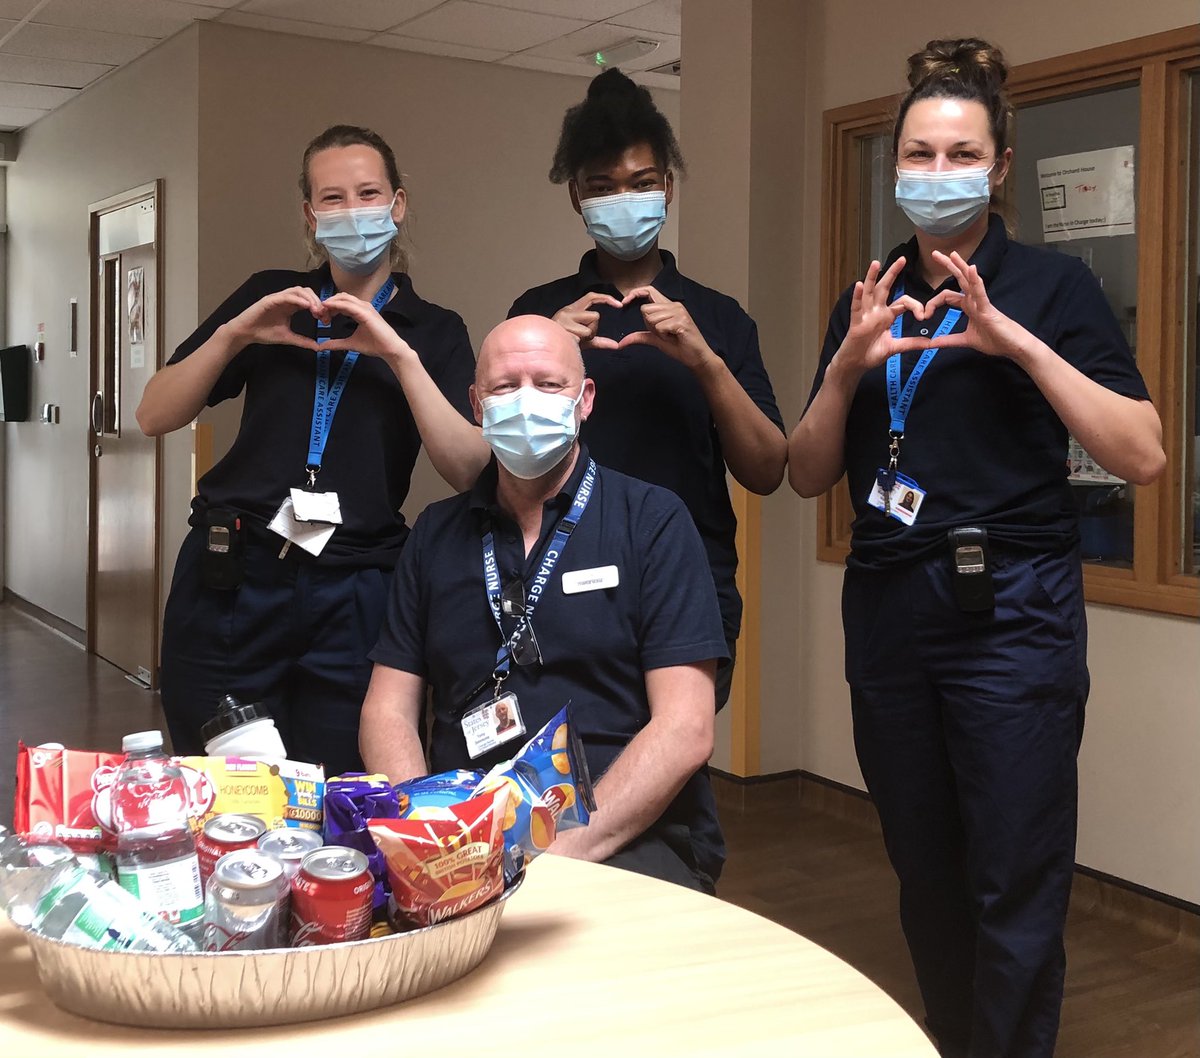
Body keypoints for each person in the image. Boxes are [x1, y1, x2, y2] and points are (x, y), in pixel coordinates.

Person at [787, 38, 1164, 1058]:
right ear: (897, 165)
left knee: (1014, 877)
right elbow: (806, 470)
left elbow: (1145, 451)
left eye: (961, 154)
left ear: (1000, 168)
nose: (936, 174)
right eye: (919, 153)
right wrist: (846, 365)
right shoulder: (865, 298)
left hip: (1012, 615)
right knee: (926, 871)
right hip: (890, 605)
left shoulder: (1052, 289)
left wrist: (1019, 346)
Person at [137, 124, 490, 776]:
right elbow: (153, 414)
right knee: (226, 791)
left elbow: (469, 468)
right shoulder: (269, 299)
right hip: (234, 579)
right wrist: (236, 335)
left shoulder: (434, 331)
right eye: (332, 198)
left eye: (368, 193)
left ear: (398, 204)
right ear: (309, 214)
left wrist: (400, 356)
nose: (352, 210)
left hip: (355, 590)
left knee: (343, 790)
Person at [360, 315, 729, 893]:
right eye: (505, 388)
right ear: (477, 406)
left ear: (584, 401)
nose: (526, 400)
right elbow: (387, 712)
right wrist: (425, 833)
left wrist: (556, 855)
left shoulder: (653, 522)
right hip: (462, 836)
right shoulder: (435, 534)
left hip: (622, 835)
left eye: (549, 384)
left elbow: (685, 727)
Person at [507, 68, 786, 710]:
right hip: (555, 573)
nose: (621, 199)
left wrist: (706, 363)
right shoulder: (538, 311)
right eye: (602, 187)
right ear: (576, 196)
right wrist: (545, 348)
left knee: (672, 774)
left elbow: (768, 469)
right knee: (561, 773)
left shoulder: (717, 318)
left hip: (686, 581)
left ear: (666, 188)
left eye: (639, 183)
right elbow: (489, 456)